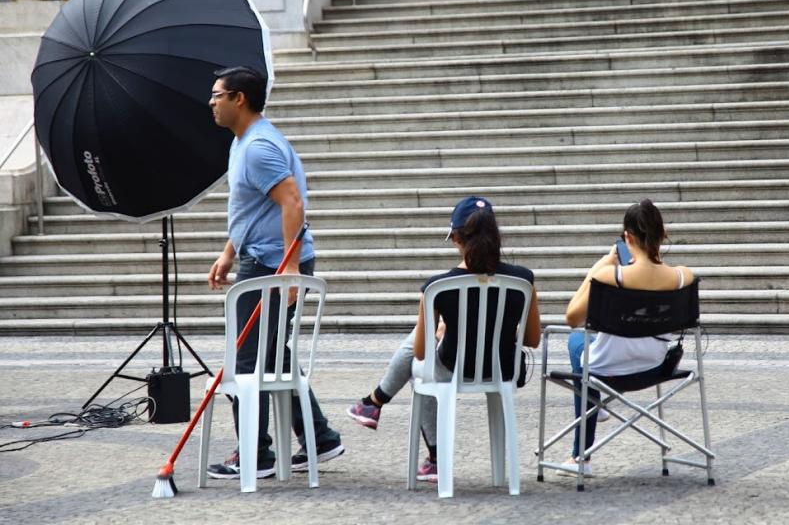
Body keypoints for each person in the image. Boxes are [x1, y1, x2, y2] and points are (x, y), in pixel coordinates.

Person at [205, 66, 343, 480]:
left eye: (217, 95)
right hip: (260, 258)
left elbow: (293, 203)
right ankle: (320, 439)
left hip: (271, 265)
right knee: (271, 356)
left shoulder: (258, 148)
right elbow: (254, 208)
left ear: (239, 99)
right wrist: (229, 252)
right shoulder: (244, 142)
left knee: (246, 361)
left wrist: (291, 268)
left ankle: (255, 454)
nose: (211, 102)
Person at [345, 196, 541, 483]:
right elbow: (533, 339)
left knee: (417, 368)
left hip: (453, 367)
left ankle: (432, 453)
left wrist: (446, 331)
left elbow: (423, 353)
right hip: (502, 369)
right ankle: (374, 404)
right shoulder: (523, 279)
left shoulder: (438, 286)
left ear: (455, 239)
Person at [561, 199, 694, 476]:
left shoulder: (611, 277)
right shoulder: (683, 278)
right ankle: (594, 410)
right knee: (588, 353)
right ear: (663, 235)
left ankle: (581, 453)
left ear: (627, 237)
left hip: (607, 367)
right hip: (655, 367)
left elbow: (572, 317)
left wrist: (597, 268)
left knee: (576, 341)